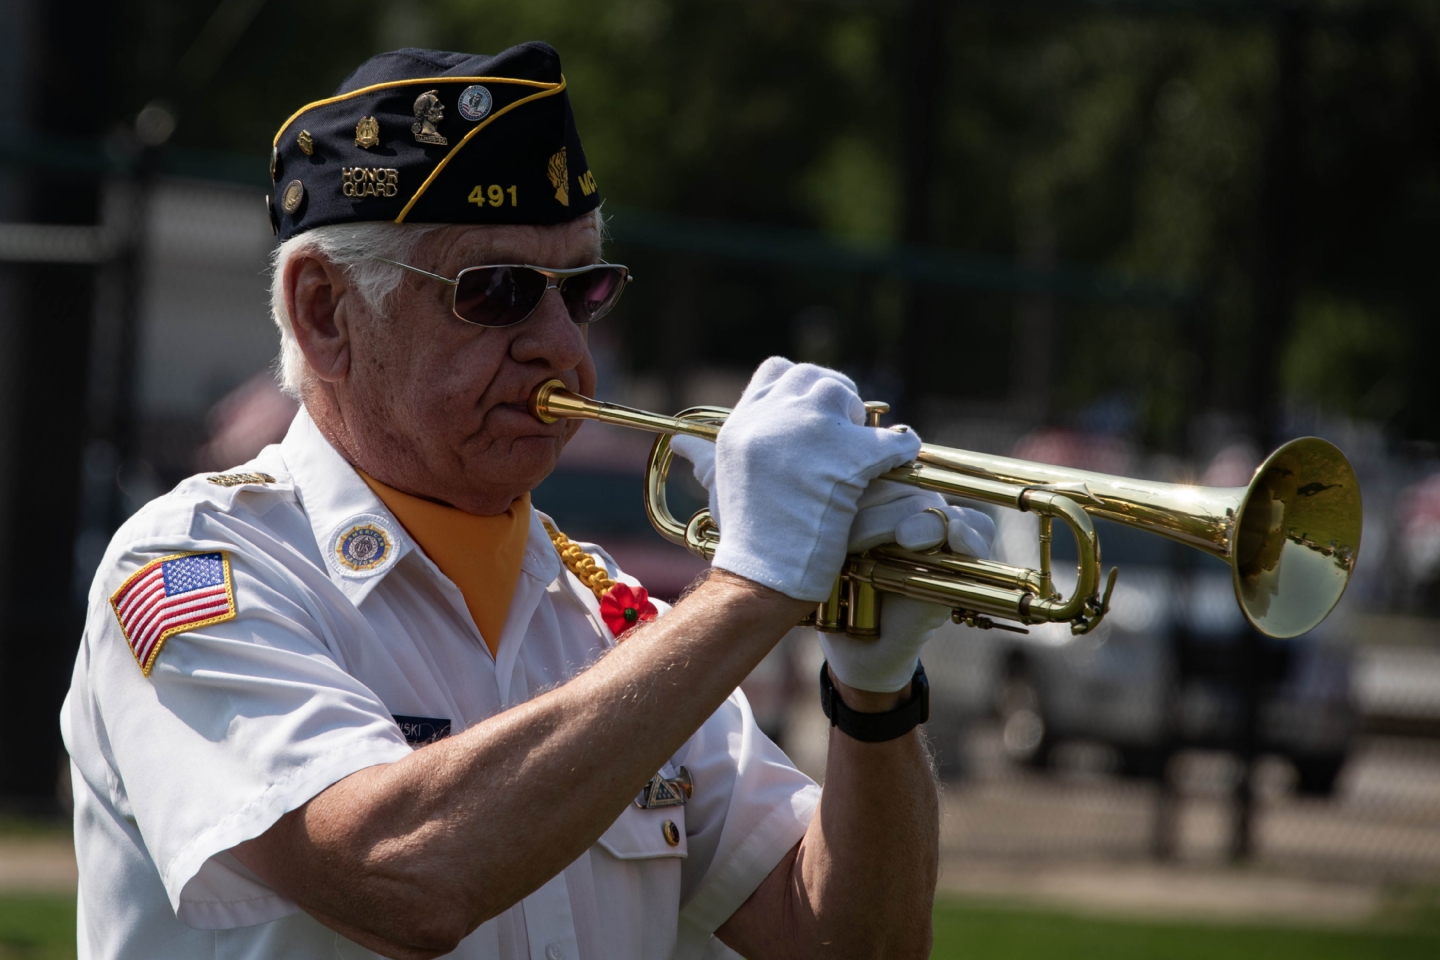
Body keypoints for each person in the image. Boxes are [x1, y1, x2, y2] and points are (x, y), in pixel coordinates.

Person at [61, 42, 992, 959]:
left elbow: (848, 944)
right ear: (325, 313)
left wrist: (874, 695)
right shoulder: (196, 565)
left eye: (583, 290)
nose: (562, 346)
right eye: (498, 291)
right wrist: (752, 588)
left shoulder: (619, 622)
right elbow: (400, 879)